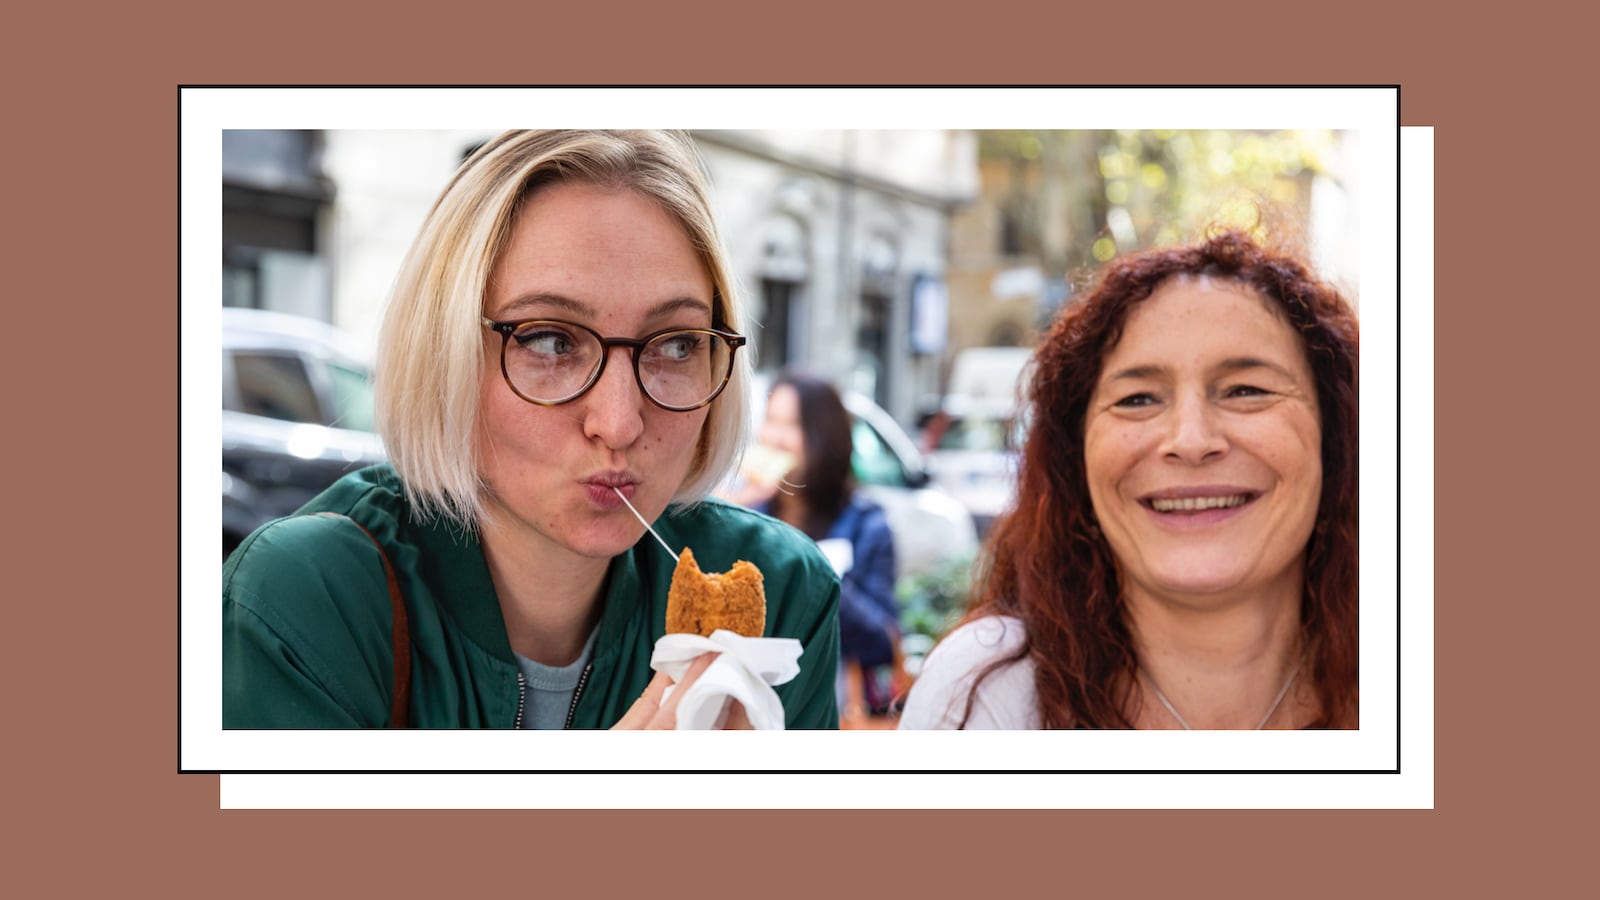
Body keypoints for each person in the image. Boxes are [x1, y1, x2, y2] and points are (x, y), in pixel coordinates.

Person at [223, 130, 841, 729]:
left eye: (676, 345)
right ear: (447, 353)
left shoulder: (782, 597)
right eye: (550, 341)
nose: (619, 423)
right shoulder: (306, 602)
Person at [899, 227, 1358, 729]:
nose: (1190, 440)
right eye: (1138, 399)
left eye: (1246, 390)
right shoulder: (982, 700)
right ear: (1076, 456)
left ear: (1334, 435)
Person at [728, 371, 901, 719]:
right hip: (744, 707)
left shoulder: (865, 523)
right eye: (771, 421)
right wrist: (733, 515)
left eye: (790, 425)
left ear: (824, 437)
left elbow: (881, 643)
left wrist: (814, 569)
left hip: (825, 707)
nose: (774, 438)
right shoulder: (746, 516)